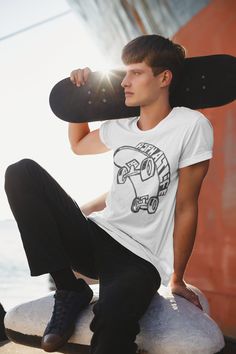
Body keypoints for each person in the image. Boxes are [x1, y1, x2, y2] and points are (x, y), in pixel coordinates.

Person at [4, 34, 213, 354]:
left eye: (135, 72)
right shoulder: (122, 126)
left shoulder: (191, 126)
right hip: (96, 237)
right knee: (21, 172)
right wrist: (81, 96)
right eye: (124, 72)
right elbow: (79, 145)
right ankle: (68, 289)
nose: (125, 81)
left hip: (140, 260)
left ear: (164, 78)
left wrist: (178, 278)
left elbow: (186, 206)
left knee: (112, 329)